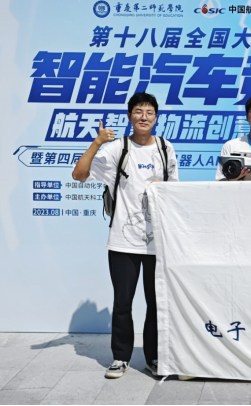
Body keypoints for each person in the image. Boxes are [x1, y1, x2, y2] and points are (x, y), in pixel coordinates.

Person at [72, 92, 191, 381]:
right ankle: (120, 357)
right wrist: (98, 142)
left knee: (156, 303)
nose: (144, 117)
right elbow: (79, 174)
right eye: (138, 111)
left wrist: (163, 186)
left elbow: (176, 192)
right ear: (129, 116)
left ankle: (154, 358)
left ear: (156, 117)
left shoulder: (165, 148)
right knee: (123, 302)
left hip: (158, 242)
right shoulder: (118, 148)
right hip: (123, 241)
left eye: (149, 112)